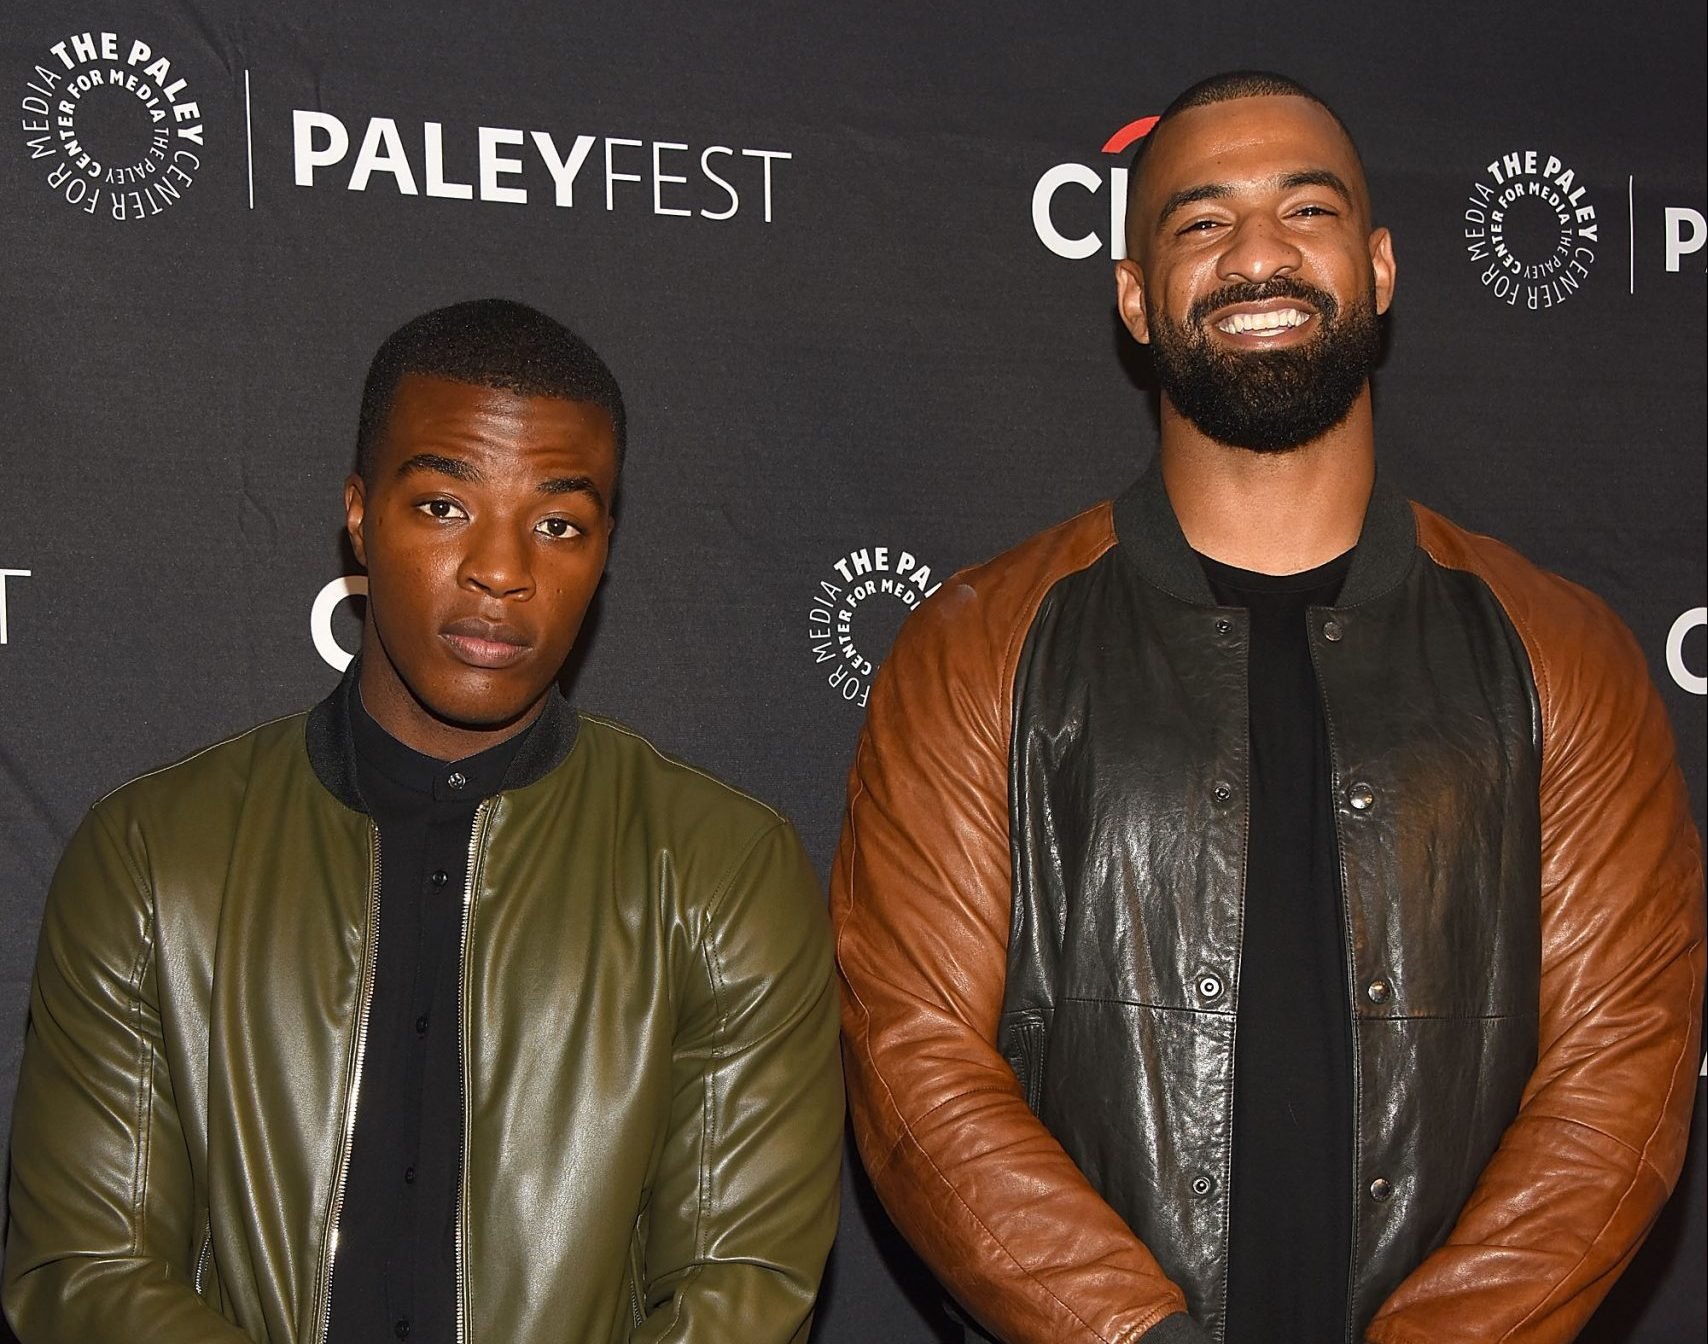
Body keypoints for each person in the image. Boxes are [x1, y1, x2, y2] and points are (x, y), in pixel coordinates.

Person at [831, 71, 1703, 1344]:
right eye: (1199, 222)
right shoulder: (976, 647)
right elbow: (914, 1058)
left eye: (1306, 211)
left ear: (1382, 266)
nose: (1257, 254)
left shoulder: (1562, 651)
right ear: (1134, 294)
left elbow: (1619, 1066)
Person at [5, 298, 843, 1344]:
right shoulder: (151, 858)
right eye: (445, 506)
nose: (503, 570)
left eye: (558, 524)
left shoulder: (720, 869)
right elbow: (86, 1274)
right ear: (359, 514)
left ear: (605, 548)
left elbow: (740, 1291)